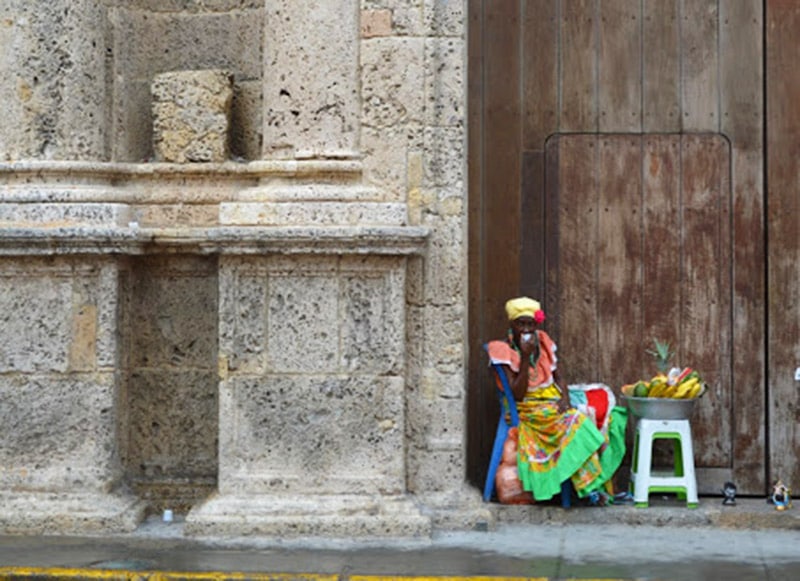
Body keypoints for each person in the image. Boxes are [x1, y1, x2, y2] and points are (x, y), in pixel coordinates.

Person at [486, 296, 626, 504]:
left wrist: (565, 399)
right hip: (528, 408)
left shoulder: (543, 342)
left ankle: (591, 485)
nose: (526, 330)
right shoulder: (502, 350)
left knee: (605, 414)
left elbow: (558, 375)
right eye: (520, 324)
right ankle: (586, 488)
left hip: (550, 400)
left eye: (530, 324)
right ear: (512, 325)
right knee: (579, 424)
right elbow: (517, 394)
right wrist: (525, 358)